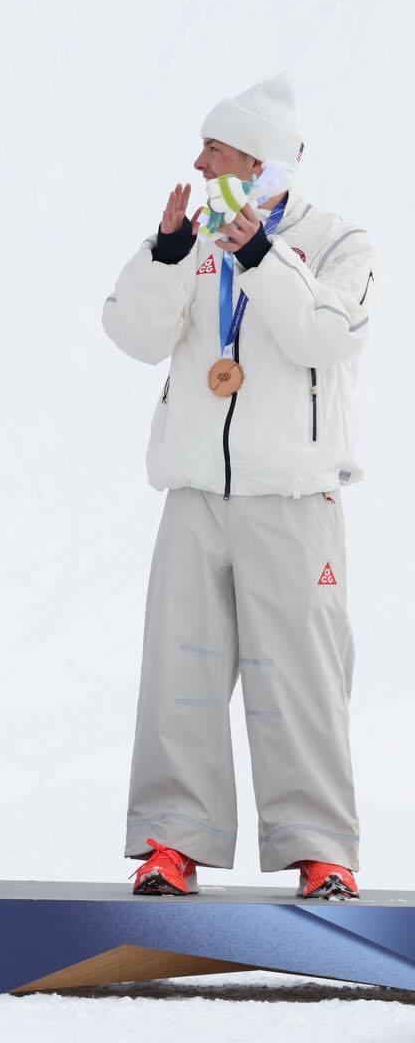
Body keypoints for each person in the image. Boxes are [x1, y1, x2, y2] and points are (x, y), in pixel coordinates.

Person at [102, 75, 373, 899]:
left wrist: (260, 256)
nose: (197, 160)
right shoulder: (193, 242)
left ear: (256, 162)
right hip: (194, 494)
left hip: (292, 497)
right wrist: (170, 254)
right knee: (178, 677)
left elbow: (322, 337)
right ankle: (170, 845)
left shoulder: (337, 241)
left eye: (212, 150)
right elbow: (131, 333)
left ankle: (322, 851)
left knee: (301, 680)